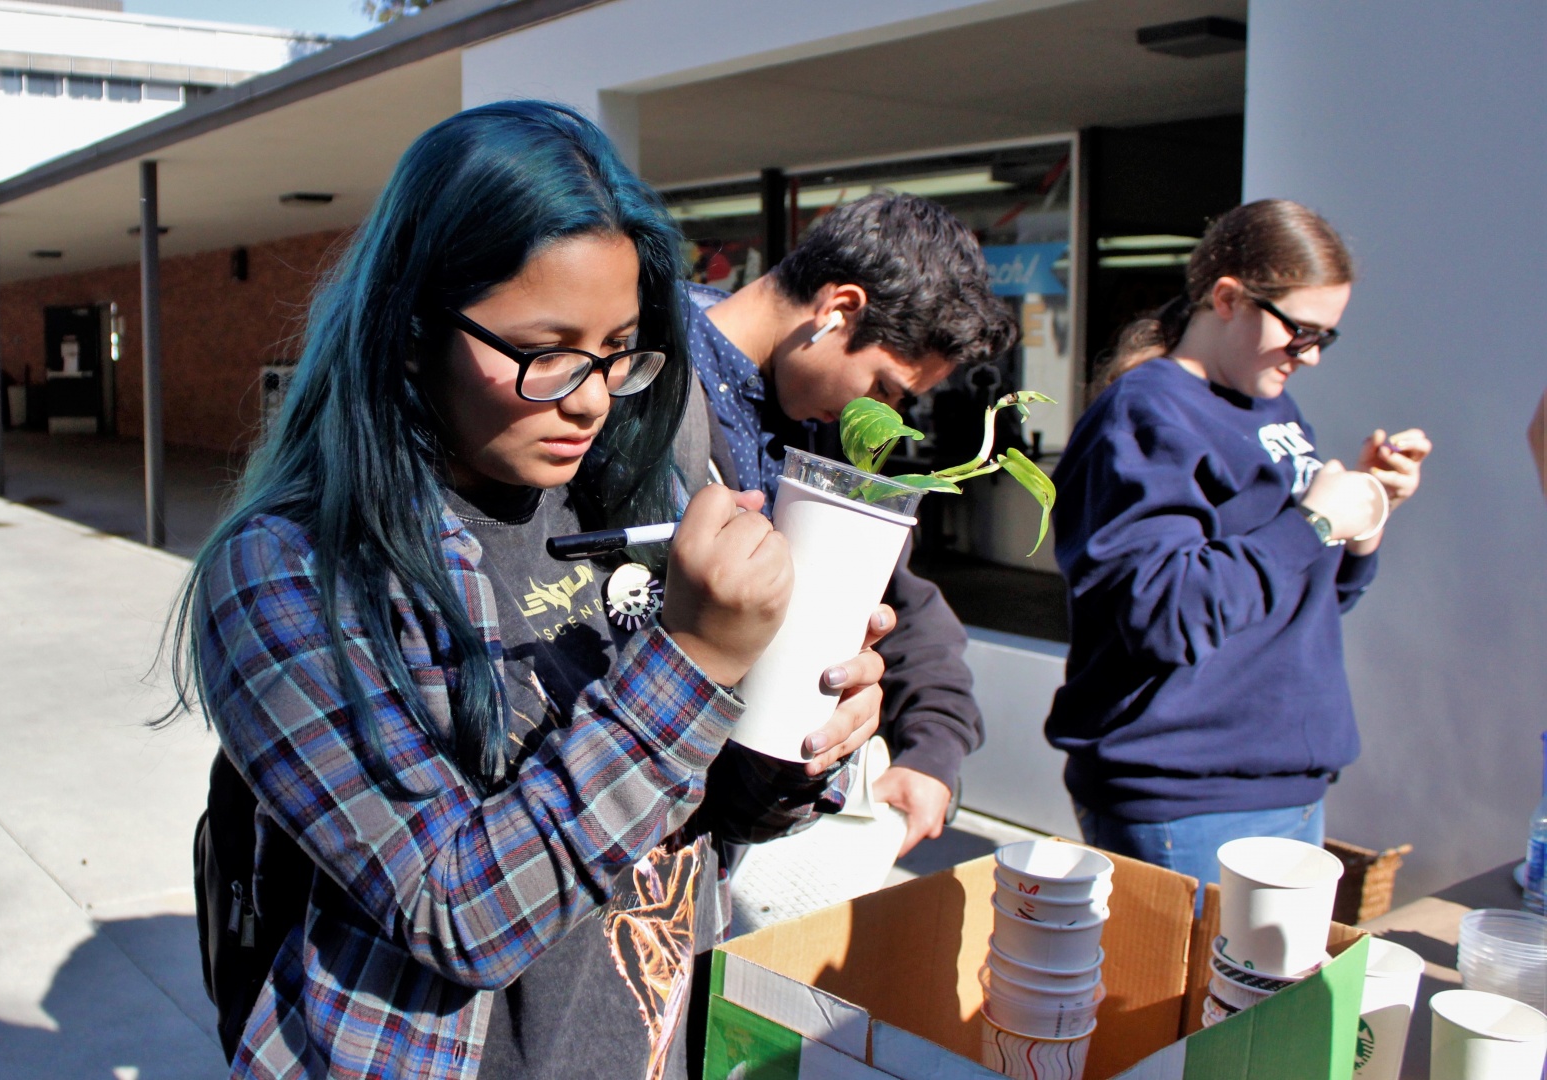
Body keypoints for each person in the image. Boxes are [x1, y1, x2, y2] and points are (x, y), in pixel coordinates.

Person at [171, 101, 890, 1078]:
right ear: (414, 327)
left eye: (619, 350)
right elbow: (453, 908)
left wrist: (796, 731)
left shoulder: (633, 499)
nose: (592, 397)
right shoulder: (290, 572)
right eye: (547, 351)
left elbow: (698, 819)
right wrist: (693, 661)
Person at [1044, 199, 1431, 889]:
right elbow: (1164, 613)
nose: (1309, 356)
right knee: (1199, 1000)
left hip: (1281, 778)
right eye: (1301, 332)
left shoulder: (1268, 403)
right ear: (1227, 298)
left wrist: (1365, 516)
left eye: (1326, 338)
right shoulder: (1145, 412)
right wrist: (1310, 522)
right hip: (1186, 795)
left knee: (1263, 998)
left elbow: (1300, 600)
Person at [674, 193, 1020, 855]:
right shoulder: (640, 384)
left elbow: (901, 597)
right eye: (886, 388)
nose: (887, 416)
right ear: (839, 310)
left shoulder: (823, 426)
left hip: (732, 835)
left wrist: (933, 745)